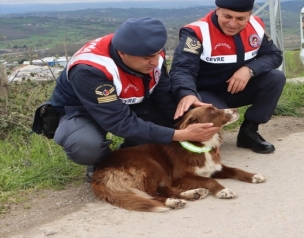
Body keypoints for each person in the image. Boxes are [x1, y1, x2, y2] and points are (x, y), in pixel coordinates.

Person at [48, 18, 220, 181]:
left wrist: (186, 122)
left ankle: (130, 150)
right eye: (147, 58)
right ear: (122, 53)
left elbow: (164, 96)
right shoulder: (90, 69)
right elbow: (118, 122)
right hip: (85, 111)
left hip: (133, 102)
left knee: (168, 127)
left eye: (157, 54)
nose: (155, 61)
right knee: (85, 146)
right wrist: (179, 135)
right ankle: (101, 162)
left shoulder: (150, 54)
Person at [170, 0, 286, 154]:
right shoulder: (196, 32)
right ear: (218, 10)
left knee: (275, 78)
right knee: (214, 117)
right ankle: (199, 144)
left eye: (240, 18)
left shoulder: (256, 25)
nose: (232, 23)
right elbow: (182, 69)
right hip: (205, 93)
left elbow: (274, 55)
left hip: (237, 87)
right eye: (227, 16)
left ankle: (249, 132)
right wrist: (186, 93)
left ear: (249, 15)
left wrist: (249, 69)